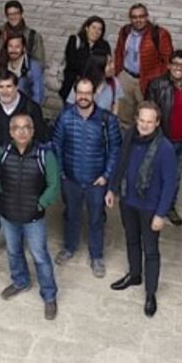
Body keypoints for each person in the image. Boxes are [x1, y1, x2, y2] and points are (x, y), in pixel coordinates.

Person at [105, 102, 177, 318]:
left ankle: (151, 293)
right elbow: (121, 163)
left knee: (151, 249)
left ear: (157, 123)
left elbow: (170, 184)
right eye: (141, 120)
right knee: (131, 240)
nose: (144, 126)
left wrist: (161, 213)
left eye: (149, 122)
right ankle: (135, 274)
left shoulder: (165, 148)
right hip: (128, 201)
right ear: (136, 120)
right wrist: (112, 189)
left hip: (150, 207)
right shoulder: (129, 136)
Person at [0, 70, 48, 267]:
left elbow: (42, 138)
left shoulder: (31, 108)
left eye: (9, 86)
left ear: (17, 87)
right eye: (1, 87)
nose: (5, 91)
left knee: (22, 211)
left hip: (24, 172)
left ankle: (20, 248)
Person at [0, 114, 60, 321]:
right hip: (8, 214)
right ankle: (20, 281)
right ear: (11, 132)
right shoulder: (2, 153)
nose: (21, 131)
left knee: (40, 256)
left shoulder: (45, 155)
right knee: (13, 251)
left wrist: (41, 204)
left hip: (33, 217)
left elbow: (54, 185)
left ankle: (49, 295)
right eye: (17, 128)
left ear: (32, 131)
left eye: (26, 127)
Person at [51, 78, 121, 278]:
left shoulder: (107, 120)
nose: (83, 97)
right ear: (75, 93)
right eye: (80, 93)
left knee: (96, 219)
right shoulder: (64, 118)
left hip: (96, 182)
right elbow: (56, 146)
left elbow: (116, 150)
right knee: (71, 215)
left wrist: (106, 176)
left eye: (87, 93)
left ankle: (96, 256)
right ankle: (69, 247)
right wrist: (61, 174)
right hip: (71, 180)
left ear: (94, 95)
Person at [145, 50, 182, 227]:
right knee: (154, 174)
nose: (179, 68)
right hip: (163, 141)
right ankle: (151, 206)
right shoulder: (156, 85)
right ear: (169, 65)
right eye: (176, 64)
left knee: (175, 177)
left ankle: (168, 207)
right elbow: (149, 112)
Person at [113, 3, 173, 130]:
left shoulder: (159, 34)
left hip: (147, 80)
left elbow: (168, 60)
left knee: (146, 113)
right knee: (124, 113)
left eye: (141, 16)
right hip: (127, 77)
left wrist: (156, 78)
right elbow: (119, 52)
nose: (138, 20)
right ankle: (126, 138)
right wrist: (119, 73)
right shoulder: (125, 31)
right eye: (134, 17)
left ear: (147, 16)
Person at [59, 16, 111, 101]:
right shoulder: (75, 40)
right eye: (93, 28)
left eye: (100, 29)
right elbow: (71, 63)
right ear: (87, 28)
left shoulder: (104, 45)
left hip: (95, 88)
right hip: (74, 85)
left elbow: (107, 65)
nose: (96, 32)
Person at [0, 33, 44, 105]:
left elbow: (37, 93)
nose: (13, 50)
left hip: (24, 107)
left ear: (23, 48)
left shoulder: (32, 66)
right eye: (10, 46)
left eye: (17, 47)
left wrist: (32, 112)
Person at [0, 0, 45, 66]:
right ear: (6, 15)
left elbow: (39, 62)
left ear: (21, 13)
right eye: (10, 14)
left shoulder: (33, 36)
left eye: (16, 13)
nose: (13, 17)